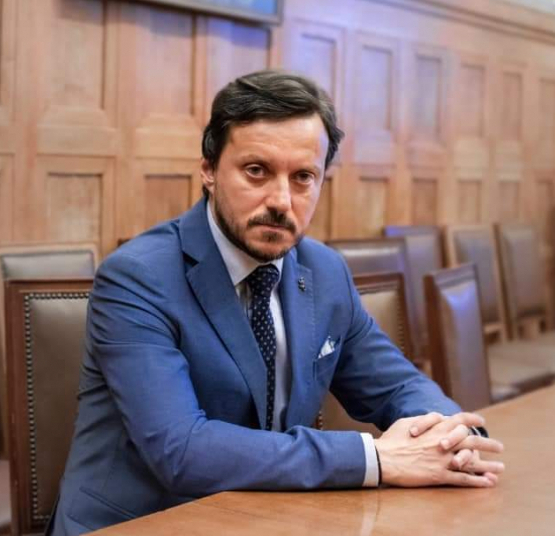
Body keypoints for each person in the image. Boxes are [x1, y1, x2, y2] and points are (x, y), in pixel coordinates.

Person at [47, 70, 504, 536]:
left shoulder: (326, 273)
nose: (281, 201)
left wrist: (453, 439)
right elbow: (181, 450)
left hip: (268, 517)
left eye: (303, 177)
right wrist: (376, 458)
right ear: (208, 170)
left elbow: (396, 386)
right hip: (144, 523)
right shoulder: (137, 278)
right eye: (256, 171)